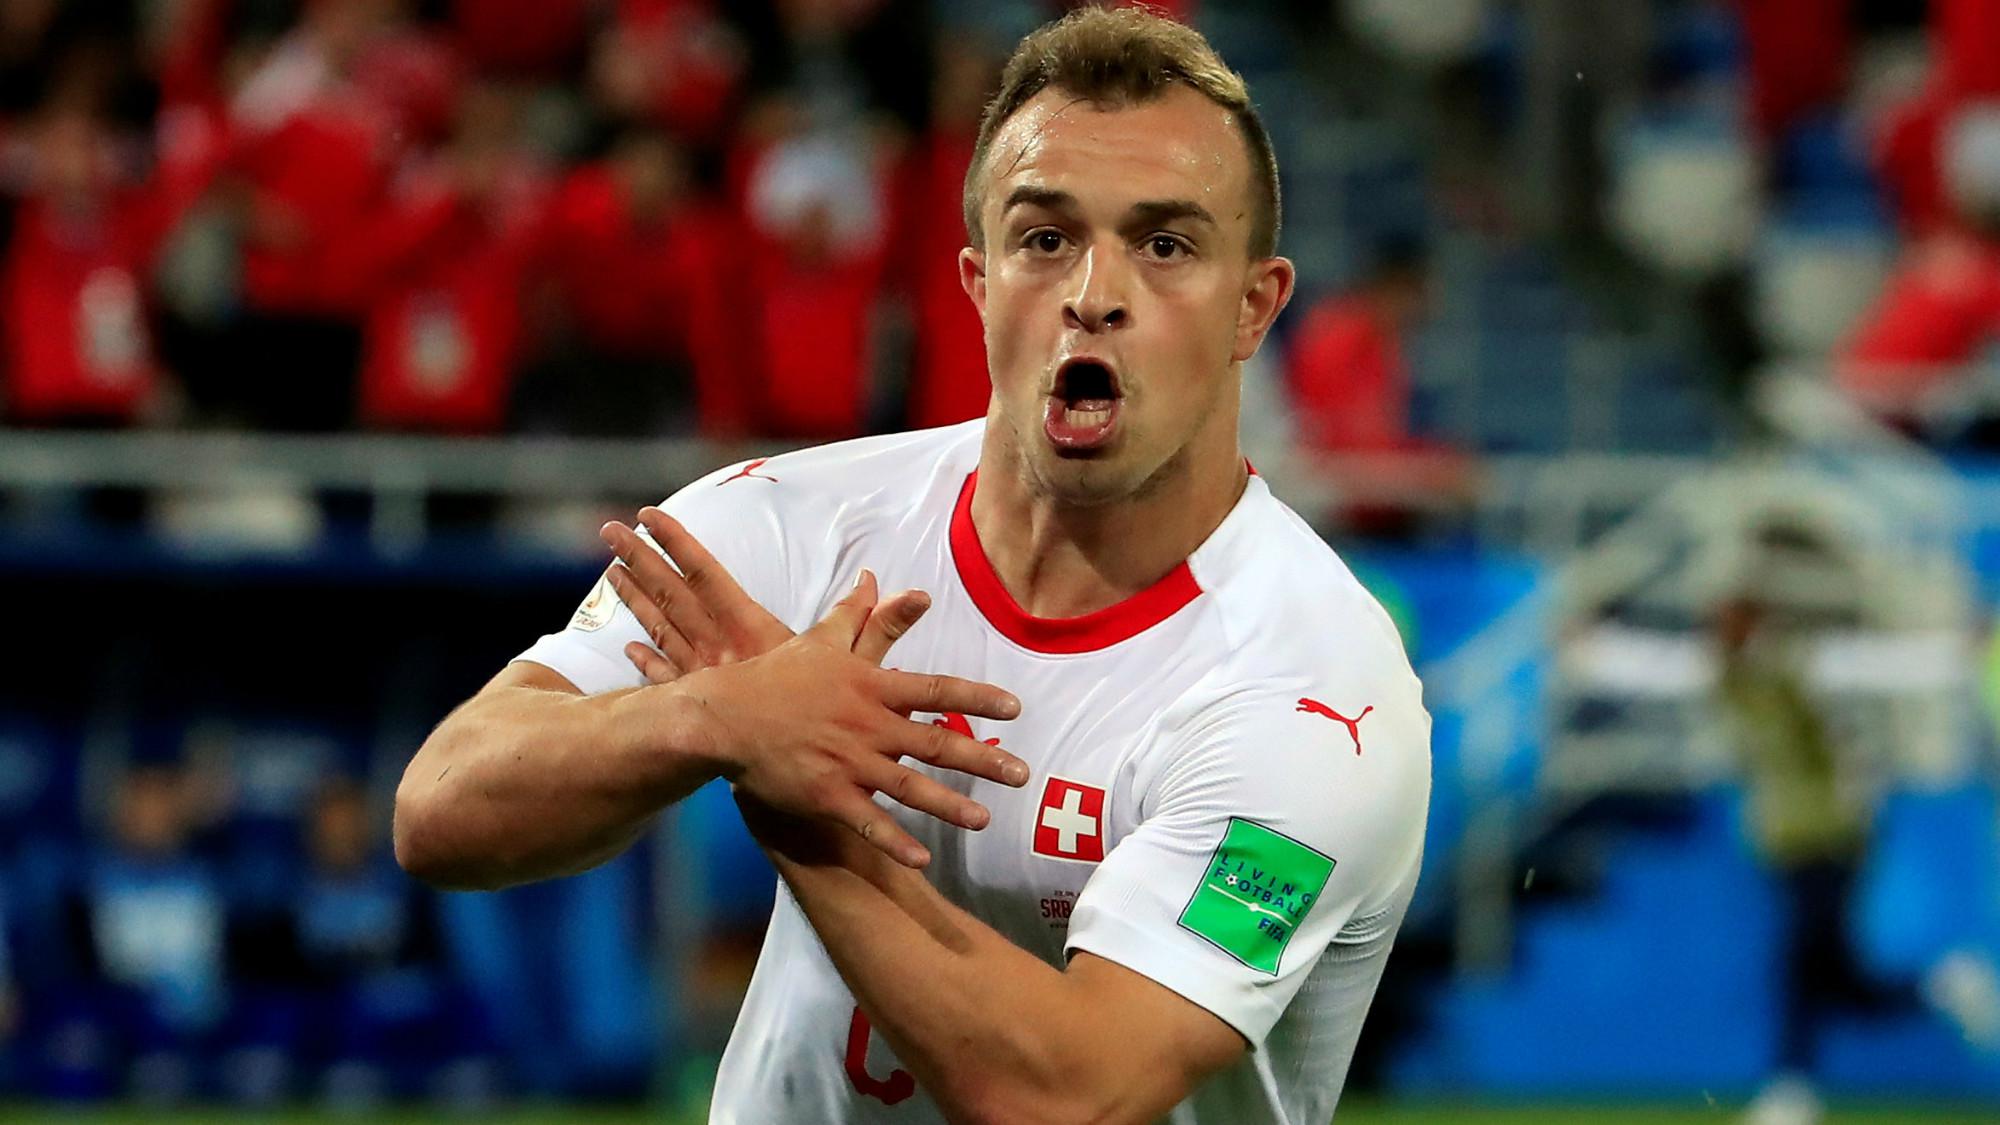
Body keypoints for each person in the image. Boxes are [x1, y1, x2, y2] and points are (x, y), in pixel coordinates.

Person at [394, 9, 1431, 1123]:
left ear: (1252, 307)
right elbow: (442, 806)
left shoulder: (1316, 698)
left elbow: (1069, 1100)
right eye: (1044, 238)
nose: (1094, 290)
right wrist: (715, 716)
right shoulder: (793, 526)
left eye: (1165, 244)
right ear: (978, 283)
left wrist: (804, 801)